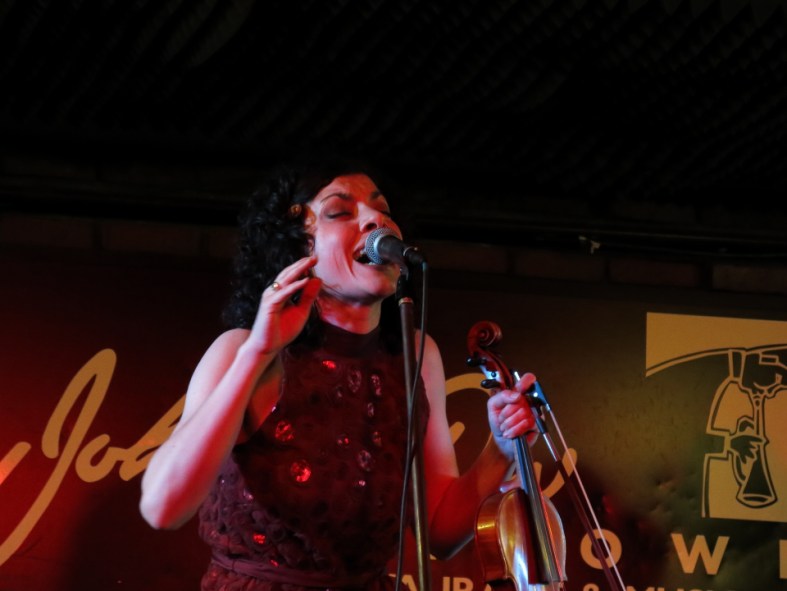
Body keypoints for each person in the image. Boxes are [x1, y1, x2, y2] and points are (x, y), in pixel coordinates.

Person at [139, 160, 537, 591]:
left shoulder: (417, 357)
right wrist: (257, 351)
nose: (375, 220)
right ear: (297, 248)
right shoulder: (244, 349)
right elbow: (163, 508)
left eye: (382, 210)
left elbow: (439, 531)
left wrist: (499, 450)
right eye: (340, 212)